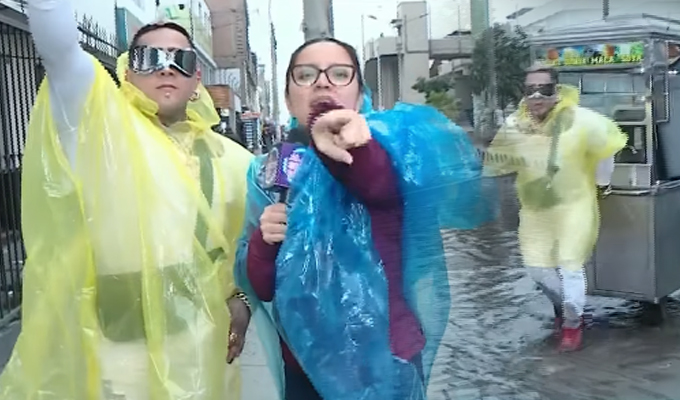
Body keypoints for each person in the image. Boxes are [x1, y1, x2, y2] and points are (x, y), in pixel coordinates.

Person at [0, 0, 252, 398]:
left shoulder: (234, 160)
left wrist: (242, 299)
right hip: (120, 362)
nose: (166, 68)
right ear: (127, 71)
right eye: (149, 58)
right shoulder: (98, 131)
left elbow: (253, 245)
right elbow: (60, 48)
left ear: (198, 77)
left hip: (205, 354)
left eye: (181, 59)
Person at [235, 38, 492, 399]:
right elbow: (262, 287)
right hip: (304, 363)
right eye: (306, 75)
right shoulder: (271, 174)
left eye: (340, 74)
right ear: (289, 100)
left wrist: (349, 147)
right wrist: (265, 241)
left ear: (359, 95)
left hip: (386, 362)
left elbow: (374, 182)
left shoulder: (389, 148)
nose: (322, 83)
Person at [483, 64, 627, 352]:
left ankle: (572, 326)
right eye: (530, 90)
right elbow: (501, 158)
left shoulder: (582, 120)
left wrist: (602, 183)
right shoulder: (515, 124)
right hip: (536, 209)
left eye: (544, 89)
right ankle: (567, 308)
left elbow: (606, 149)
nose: (537, 96)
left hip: (575, 205)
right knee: (537, 270)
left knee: (570, 265)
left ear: (556, 91)